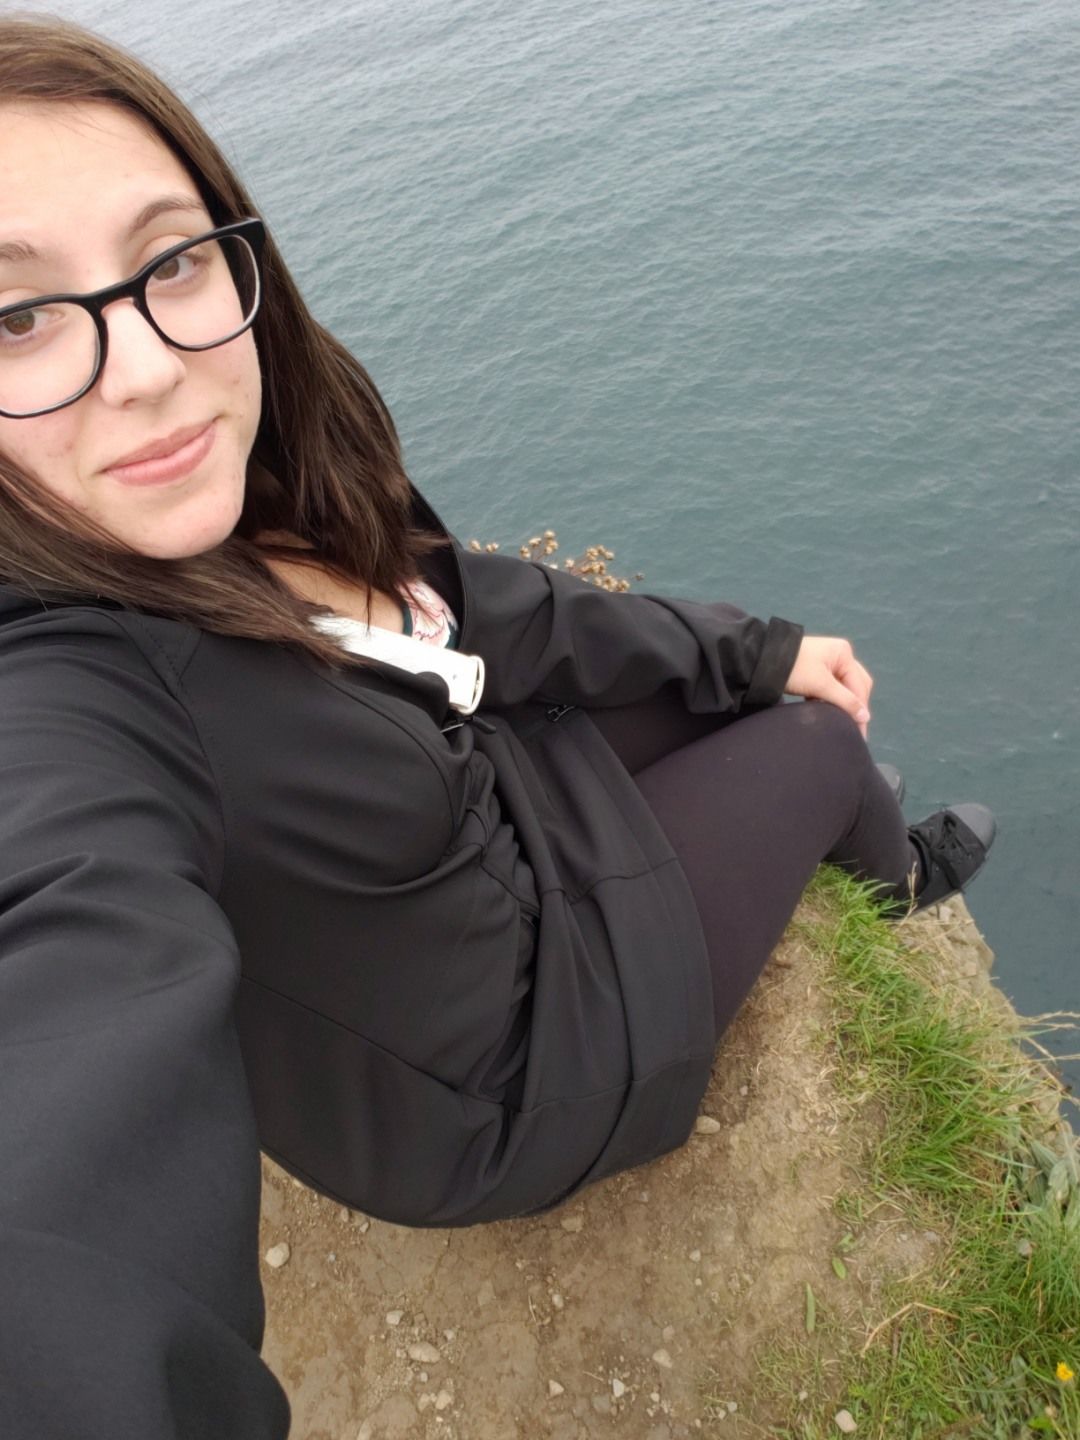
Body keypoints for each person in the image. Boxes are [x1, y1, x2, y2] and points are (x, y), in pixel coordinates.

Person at [0, 17, 996, 1438]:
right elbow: (66, 1042)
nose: (149, 366)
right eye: (17, 319)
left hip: (476, 845)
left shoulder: (258, 488)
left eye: (170, 261)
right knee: (822, 751)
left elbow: (489, 611)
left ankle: (808, 793)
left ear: (234, 251)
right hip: (502, 1077)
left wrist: (762, 646)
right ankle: (897, 884)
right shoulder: (65, 688)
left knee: (731, 690)